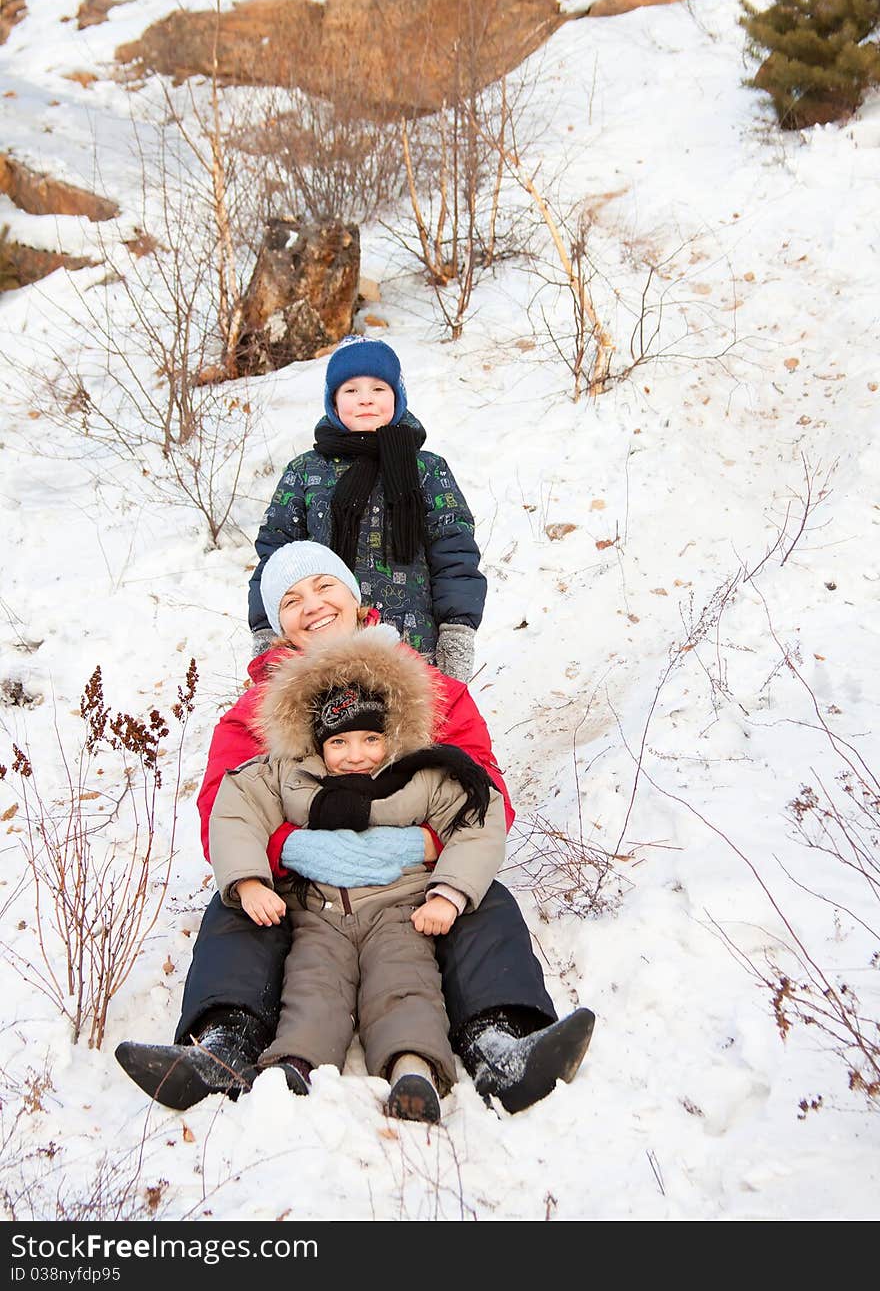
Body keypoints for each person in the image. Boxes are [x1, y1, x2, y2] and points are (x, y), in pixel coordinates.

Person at [115, 541, 595, 1114]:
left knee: (483, 898)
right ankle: (223, 1044)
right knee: (238, 906)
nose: (311, 605)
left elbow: (482, 791)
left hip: (415, 879)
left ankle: (500, 1042)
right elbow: (224, 808)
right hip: (305, 889)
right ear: (278, 624)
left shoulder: (433, 688)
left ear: (354, 593)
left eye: (324, 587)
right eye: (290, 600)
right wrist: (293, 848)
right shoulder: (254, 709)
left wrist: (427, 844)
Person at [209, 624, 508, 1123]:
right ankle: (297, 1065)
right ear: (318, 742)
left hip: (399, 909)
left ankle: (411, 1068)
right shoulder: (288, 774)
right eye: (340, 742)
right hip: (318, 913)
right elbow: (235, 809)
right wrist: (248, 880)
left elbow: (477, 819)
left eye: (371, 738)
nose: (356, 754)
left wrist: (449, 893)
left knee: (405, 981)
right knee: (312, 985)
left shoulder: (420, 774)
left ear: (390, 735)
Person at [247, 335, 484, 681]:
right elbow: (275, 557)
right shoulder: (306, 472)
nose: (365, 400)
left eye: (378, 389)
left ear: (397, 397)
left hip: (414, 649)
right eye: (351, 391)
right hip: (321, 652)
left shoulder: (427, 470)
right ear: (333, 401)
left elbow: (454, 551)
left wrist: (457, 629)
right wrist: (267, 632)